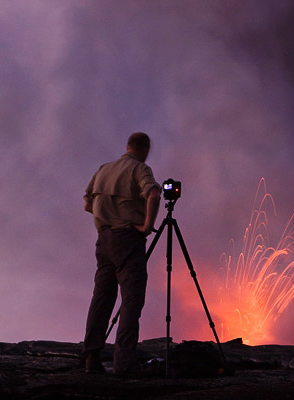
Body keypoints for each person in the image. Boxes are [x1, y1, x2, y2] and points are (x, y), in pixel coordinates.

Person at [82, 132, 161, 375]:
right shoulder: (140, 169)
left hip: (103, 240)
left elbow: (87, 204)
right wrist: (146, 226)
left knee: (102, 298)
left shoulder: (104, 169)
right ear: (145, 149)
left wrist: (108, 215)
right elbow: (154, 194)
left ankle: (91, 359)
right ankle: (124, 363)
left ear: (126, 146)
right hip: (127, 238)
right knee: (131, 300)